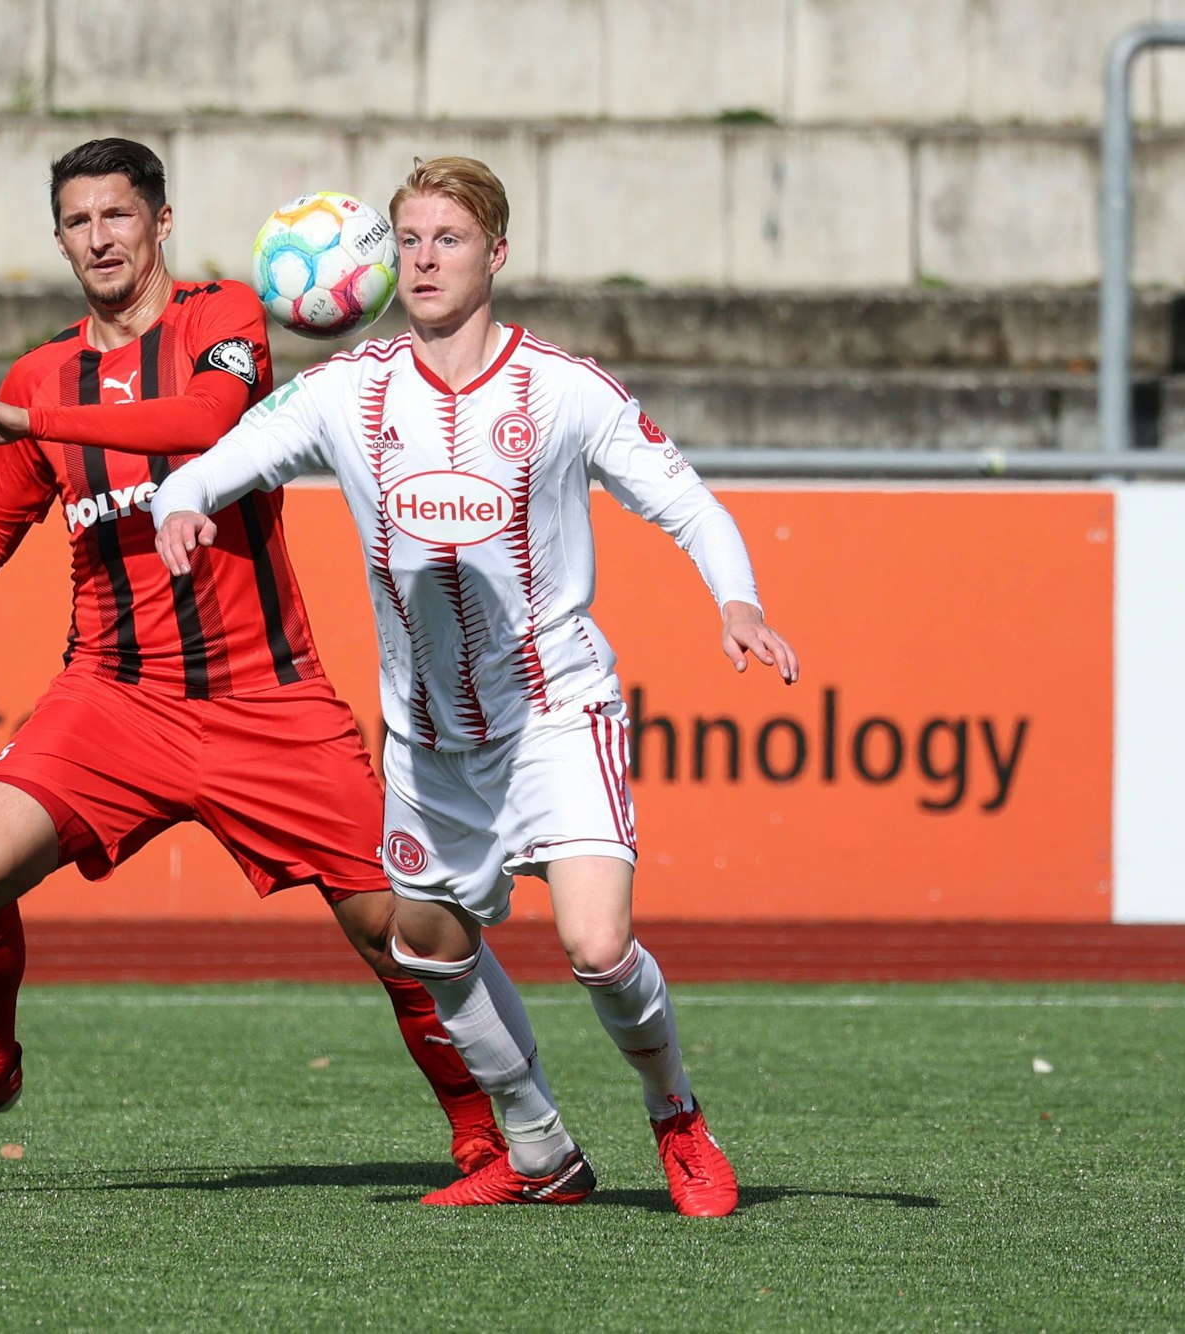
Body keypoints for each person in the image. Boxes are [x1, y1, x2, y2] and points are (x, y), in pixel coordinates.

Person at [0, 138, 503, 1173]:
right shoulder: (41, 372)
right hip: (114, 699)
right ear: (60, 240)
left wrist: (27, 417)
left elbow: (206, 421)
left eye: (118, 216)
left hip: (266, 696)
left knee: (396, 929)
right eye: (79, 222)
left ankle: (488, 1138)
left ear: (160, 222)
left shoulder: (223, 320)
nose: (100, 238)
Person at [152, 156, 799, 1215]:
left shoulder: (564, 388)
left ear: (496, 253)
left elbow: (687, 501)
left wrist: (736, 598)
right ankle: (541, 1147)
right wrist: (184, 500)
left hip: (556, 711)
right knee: (428, 944)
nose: (425, 258)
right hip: (425, 736)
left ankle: (676, 1115)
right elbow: (236, 449)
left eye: (448, 239)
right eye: (408, 240)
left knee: (595, 945)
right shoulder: (348, 390)